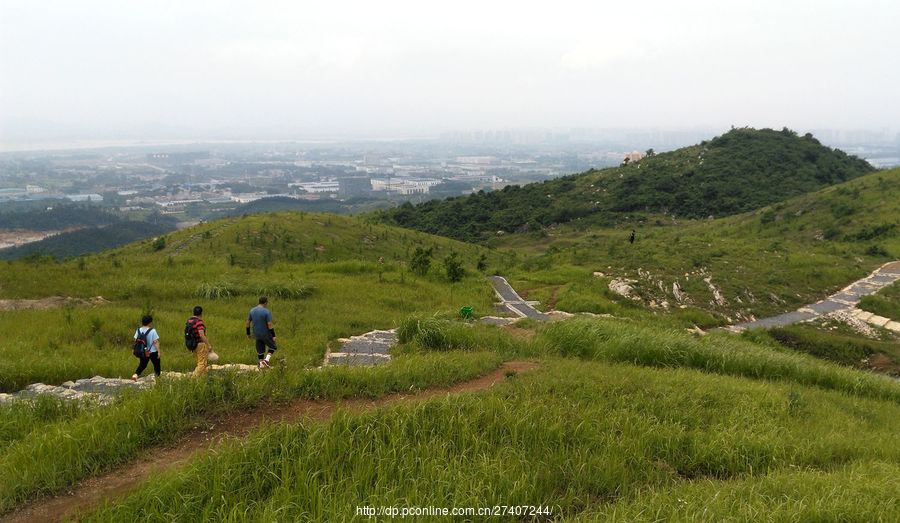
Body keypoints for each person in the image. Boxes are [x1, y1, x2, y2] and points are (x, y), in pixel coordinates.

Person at [246, 296, 277, 369]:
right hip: (265, 333)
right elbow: (269, 324)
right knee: (273, 347)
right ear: (265, 303)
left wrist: (248, 333)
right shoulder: (266, 311)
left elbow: (247, 323)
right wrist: (273, 335)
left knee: (260, 349)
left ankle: (261, 364)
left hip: (256, 333)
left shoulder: (252, 310)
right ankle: (266, 360)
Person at [132, 315, 160, 381]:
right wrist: (158, 352)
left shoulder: (138, 330)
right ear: (150, 322)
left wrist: (133, 349)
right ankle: (157, 379)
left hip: (143, 352)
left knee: (142, 365)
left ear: (142, 322)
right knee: (156, 365)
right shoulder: (153, 331)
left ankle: (135, 375)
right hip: (153, 352)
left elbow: (135, 341)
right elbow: (155, 342)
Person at [188, 306, 213, 377]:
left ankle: (203, 378)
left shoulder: (189, 321)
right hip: (200, 344)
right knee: (202, 364)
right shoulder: (199, 322)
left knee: (202, 362)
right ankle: (193, 379)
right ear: (201, 313)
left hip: (192, 344)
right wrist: (208, 345)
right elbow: (201, 335)